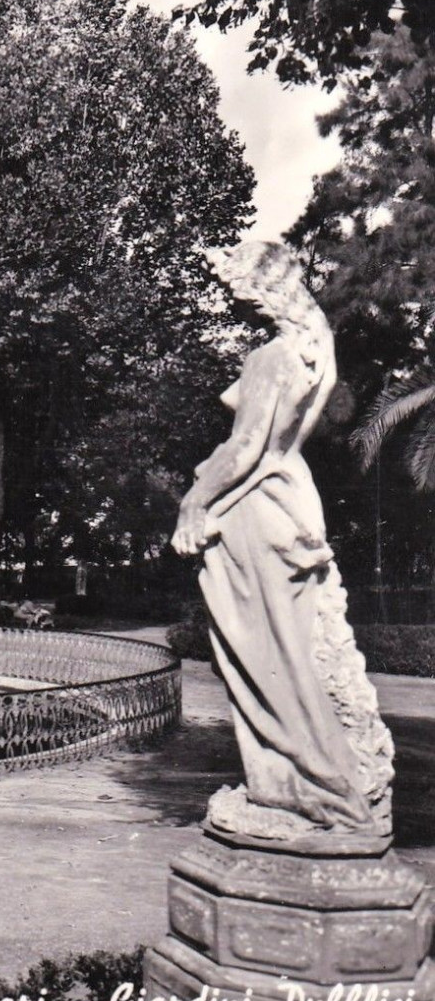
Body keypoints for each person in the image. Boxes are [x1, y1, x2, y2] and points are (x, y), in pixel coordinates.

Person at [172, 241, 391, 845]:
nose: (230, 304)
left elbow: (248, 449)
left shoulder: (273, 356)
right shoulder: (314, 347)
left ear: (258, 291)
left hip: (252, 513)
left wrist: (194, 502)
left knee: (268, 662)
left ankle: (315, 792)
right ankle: (295, 786)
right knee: (291, 658)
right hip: (290, 504)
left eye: (234, 293)